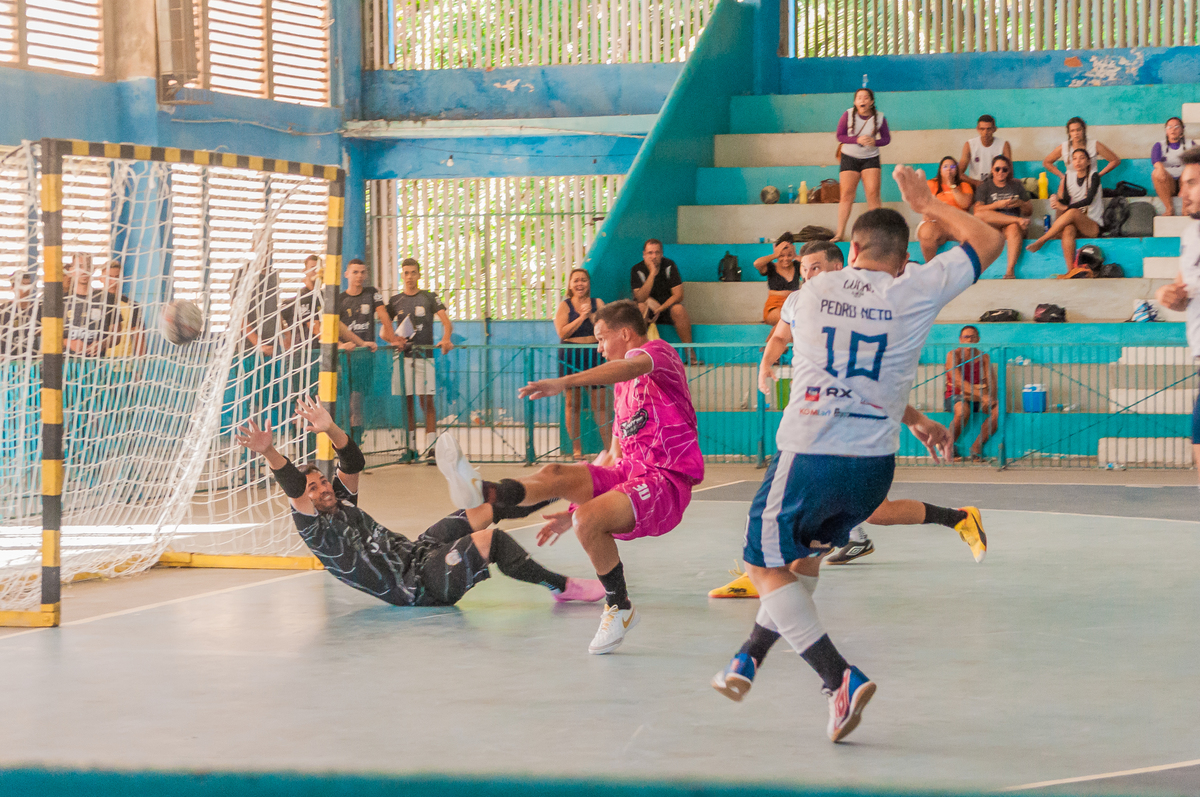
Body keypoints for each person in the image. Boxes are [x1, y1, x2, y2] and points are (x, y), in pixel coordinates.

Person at [711, 165, 1003, 743]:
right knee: (802, 564)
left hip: (809, 452)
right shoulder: (915, 289)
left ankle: (837, 677)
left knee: (761, 566)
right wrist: (928, 203)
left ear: (851, 250)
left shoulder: (811, 293)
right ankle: (749, 656)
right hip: (872, 468)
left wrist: (768, 364)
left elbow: (791, 338)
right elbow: (989, 240)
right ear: (902, 259)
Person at [437, 300, 704, 655]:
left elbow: (628, 366)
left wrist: (564, 382)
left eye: (601, 338)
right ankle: (485, 491)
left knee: (588, 520)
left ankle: (619, 606)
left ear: (625, 334)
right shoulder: (623, 391)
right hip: (630, 474)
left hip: (665, 481)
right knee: (556, 474)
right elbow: (615, 458)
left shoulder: (659, 353)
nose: (599, 347)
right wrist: (571, 510)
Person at [233, 395, 606, 608]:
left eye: (320, 482)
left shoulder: (340, 501)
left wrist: (330, 427)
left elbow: (353, 462)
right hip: (413, 585)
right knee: (490, 542)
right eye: (312, 488)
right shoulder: (313, 527)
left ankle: (569, 487)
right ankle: (562, 587)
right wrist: (269, 452)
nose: (320, 489)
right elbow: (294, 486)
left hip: (416, 551)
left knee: (483, 508)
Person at [1153, 146, 1200, 488]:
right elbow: (1183, 294)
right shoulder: (1190, 235)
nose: (1182, 191)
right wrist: (1166, 294)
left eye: (1192, 183)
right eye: (1182, 183)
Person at [385, 258, 453, 462]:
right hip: (403, 358)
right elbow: (384, 329)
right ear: (402, 275)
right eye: (406, 273)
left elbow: (447, 323)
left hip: (425, 357)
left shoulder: (429, 297)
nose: (409, 277)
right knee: (407, 403)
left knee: (426, 401)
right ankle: (411, 448)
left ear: (419, 275)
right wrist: (394, 340)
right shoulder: (395, 301)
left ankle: (432, 449)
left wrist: (446, 339)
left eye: (413, 272)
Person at [338, 258, 399, 446]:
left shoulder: (372, 293)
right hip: (344, 360)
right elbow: (332, 328)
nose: (359, 276)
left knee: (358, 403)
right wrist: (341, 345)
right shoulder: (339, 300)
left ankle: (356, 444)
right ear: (346, 274)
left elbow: (383, 315)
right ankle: (343, 444)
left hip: (364, 360)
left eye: (362, 272)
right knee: (345, 403)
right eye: (355, 272)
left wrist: (393, 338)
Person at [553, 268, 611, 461]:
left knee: (600, 404)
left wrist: (591, 316)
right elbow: (563, 332)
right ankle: (577, 450)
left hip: (594, 354)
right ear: (570, 285)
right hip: (571, 355)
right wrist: (581, 317)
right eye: (576, 280)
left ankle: (610, 449)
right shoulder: (565, 306)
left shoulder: (598, 303)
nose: (580, 284)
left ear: (589, 283)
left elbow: (606, 328)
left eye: (583, 280)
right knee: (572, 404)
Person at [1026, 149, 1103, 272]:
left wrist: (1065, 207)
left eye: (1082, 158)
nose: (1078, 161)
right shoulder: (1069, 178)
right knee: (1068, 230)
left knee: (1072, 212)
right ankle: (1071, 270)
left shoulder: (1094, 176)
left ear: (1088, 161)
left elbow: (1088, 200)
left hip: (1093, 226)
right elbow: (1065, 201)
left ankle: (1042, 240)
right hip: (1076, 226)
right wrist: (1055, 200)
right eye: (1075, 158)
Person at [833, 88, 890, 242]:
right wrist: (856, 140)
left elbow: (886, 139)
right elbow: (840, 135)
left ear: (871, 101)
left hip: (870, 157)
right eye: (859, 98)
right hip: (849, 157)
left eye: (866, 98)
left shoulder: (879, 117)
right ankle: (840, 233)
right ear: (855, 102)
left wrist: (875, 142)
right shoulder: (847, 115)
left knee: (873, 194)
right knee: (846, 195)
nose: (862, 101)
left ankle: (877, 232)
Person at [630, 239, 699, 365]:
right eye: (650, 253)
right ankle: (640, 354)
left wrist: (660, 308)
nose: (654, 256)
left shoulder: (669, 265)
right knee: (640, 307)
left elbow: (679, 295)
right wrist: (652, 274)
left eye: (657, 253)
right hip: (647, 309)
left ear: (661, 253)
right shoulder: (637, 269)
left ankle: (690, 353)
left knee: (679, 309)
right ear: (644, 254)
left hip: (666, 308)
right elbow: (640, 297)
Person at [972, 155, 1033, 279]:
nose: (1001, 172)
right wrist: (997, 205)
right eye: (997, 169)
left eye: (1004, 169)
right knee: (979, 215)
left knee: (1014, 228)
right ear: (992, 170)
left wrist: (1020, 203)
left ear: (1009, 170)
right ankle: (1017, 220)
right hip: (994, 226)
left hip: (1012, 226)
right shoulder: (985, 186)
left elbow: (1029, 211)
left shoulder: (1016, 185)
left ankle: (1010, 271)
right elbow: (977, 211)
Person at [944, 325, 999, 461]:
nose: (969, 340)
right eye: (966, 337)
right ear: (960, 339)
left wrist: (990, 398)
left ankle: (976, 448)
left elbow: (991, 381)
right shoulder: (953, 355)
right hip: (955, 395)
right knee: (963, 411)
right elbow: (958, 381)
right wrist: (982, 395)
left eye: (973, 337)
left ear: (978, 339)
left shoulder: (984, 357)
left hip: (976, 397)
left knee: (999, 410)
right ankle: (949, 447)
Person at [917, 157, 974, 263]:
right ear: (940, 170)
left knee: (972, 234)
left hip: (957, 224)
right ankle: (931, 266)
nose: (949, 169)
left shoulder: (964, 185)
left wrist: (952, 185)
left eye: (952, 167)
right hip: (936, 223)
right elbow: (923, 205)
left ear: (957, 170)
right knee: (927, 233)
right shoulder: (931, 184)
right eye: (945, 167)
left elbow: (965, 204)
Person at [1041, 116, 1121, 182]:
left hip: (1091, 184)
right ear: (1069, 133)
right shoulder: (1064, 147)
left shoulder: (1094, 145)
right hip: (1071, 184)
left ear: (1084, 130)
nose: (1076, 133)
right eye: (1072, 131)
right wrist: (1062, 176)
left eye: (1078, 130)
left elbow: (1115, 160)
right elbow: (1047, 162)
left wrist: (1098, 175)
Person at [1151, 117, 1198, 217]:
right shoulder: (1159, 145)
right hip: (1169, 182)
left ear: (1182, 129)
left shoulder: (1191, 144)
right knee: (1156, 173)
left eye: (1177, 127)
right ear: (1166, 130)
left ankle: (1186, 208)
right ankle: (1169, 208)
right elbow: (1156, 162)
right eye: (1170, 127)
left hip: (1185, 181)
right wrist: (1160, 169)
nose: (1173, 129)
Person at [752, 233, 800, 326]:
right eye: (781, 256)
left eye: (789, 255)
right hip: (775, 306)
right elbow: (757, 263)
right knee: (784, 318)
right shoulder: (771, 267)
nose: (786, 259)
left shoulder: (797, 266)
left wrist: (796, 256)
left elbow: (813, 264)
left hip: (794, 305)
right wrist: (775, 254)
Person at [100, 260, 144, 358]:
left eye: (117, 277)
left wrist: (142, 362)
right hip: (99, 360)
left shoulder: (132, 306)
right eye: (109, 277)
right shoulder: (94, 303)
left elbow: (139, 337)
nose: (113, 281)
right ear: (101, 279)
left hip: (125, 360)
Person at [959, 114, 1012, 188]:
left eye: (989, 129)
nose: (985, 132)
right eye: (982, 129)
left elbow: (1009, 171)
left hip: (997, 186)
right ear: (977, 129)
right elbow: (959, 172)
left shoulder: (1004, 145)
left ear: (994, 129)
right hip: (975, 186)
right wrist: (975, 182)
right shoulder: (969, 145)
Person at [0, 272, 40, 357]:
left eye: (28, 285)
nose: (26, 289)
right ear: (13, 288)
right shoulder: (3, 311)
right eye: (22, 285)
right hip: (9, 361)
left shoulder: (38, 309)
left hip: (32, 360)